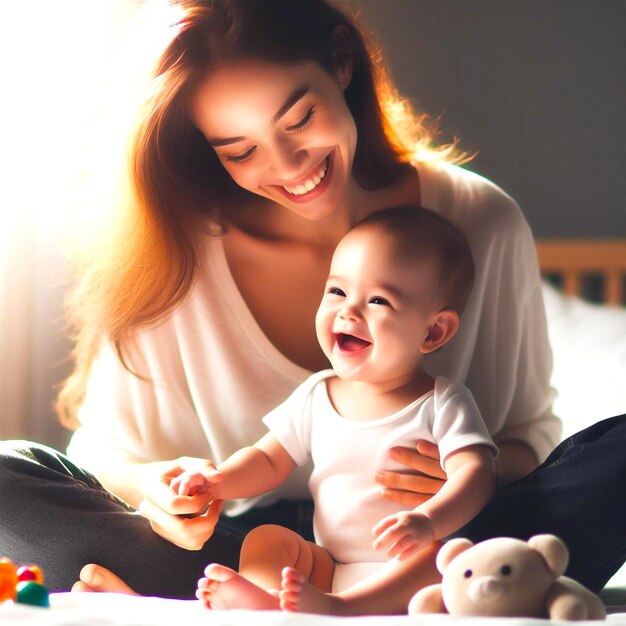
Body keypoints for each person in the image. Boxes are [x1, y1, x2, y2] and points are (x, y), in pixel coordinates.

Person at [0, 0, 622, 605]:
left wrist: (462, 487)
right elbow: (103, 454)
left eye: (298, 119)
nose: (288, 166)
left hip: (434, 544)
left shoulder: (479, 222)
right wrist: (157, 491)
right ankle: (266, 593)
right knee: (10, 472)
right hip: (242, 547)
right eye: (239, 150)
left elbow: (531, 442)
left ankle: (216, 598)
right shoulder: (171, 251)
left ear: (341, 63)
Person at [172, 206, 497, 614]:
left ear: (433, 331)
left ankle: (341, 608)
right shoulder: (317, 394)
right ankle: (268, 599)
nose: (349, 312)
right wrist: (219, 480)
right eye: (337, 292)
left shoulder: (441, 402)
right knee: (267, 538)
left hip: (405, 564)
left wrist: (428, 522)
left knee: (444, 556)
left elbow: (476, 474)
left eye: (378, 300)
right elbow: (267, 459)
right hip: (328, 565)